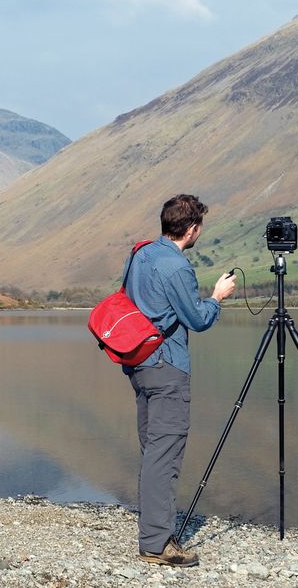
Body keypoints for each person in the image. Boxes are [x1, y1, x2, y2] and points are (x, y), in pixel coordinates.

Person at [123, 193, 237, 566]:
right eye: (199, 226)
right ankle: (156, 544)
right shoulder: (176, 267)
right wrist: (217, 297)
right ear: (192, 229)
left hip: (139, 364)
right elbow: (198, 320)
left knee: (154, 448)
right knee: (164, 452)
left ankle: (156, 530)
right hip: (166, 368)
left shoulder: (141, 253)